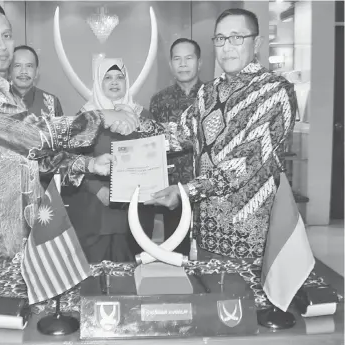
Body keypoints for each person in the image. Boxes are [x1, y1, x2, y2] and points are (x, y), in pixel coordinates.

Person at [0, 6, 139, 273]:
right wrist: (99, 116)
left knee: (18, 310)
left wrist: (89, 165)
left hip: (16, 231)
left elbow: (38, 158)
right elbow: (33, 134)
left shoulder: (9, 96)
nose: (2, 45)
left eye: (6, 35)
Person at [145, 8, 297, 261]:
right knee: (209, 296)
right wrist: (129, 125)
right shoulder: (209, 92)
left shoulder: (275, 91)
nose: (227, 47)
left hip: (252, 236)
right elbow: (178, 134)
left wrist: (186, 192)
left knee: (248, 301)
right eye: (220, 39)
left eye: (237, 38)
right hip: (205, 229)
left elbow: (244, 162)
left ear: (256, 42)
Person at [62, 57, 157, 263]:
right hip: (94, 207)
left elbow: (154, 159)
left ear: (127, 81)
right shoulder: (86, 117)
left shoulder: (143, 117)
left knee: (130, 269)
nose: (114, 82)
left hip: (134, 208)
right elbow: (71, 159)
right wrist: (98, 190)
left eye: (119, 77)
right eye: (108, 77)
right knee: (95, 272)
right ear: (98, 82)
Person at [149, 38, 203, 256]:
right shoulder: (159, 101)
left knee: (206, 255)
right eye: (177, 59)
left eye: (188, 58)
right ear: (171, 65)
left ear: (199, 63)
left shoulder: (213, 95)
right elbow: (152, 147)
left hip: (207, 189)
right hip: (173, 192)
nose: (183, 64)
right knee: (175, 253)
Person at [9, 44, 64, 188]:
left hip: (43, 188)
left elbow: (61, 149)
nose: (23, 71)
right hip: (7, 190)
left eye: (29, 66)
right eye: (17, 66)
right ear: (9, 70)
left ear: (36, 72)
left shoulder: (51, 102)